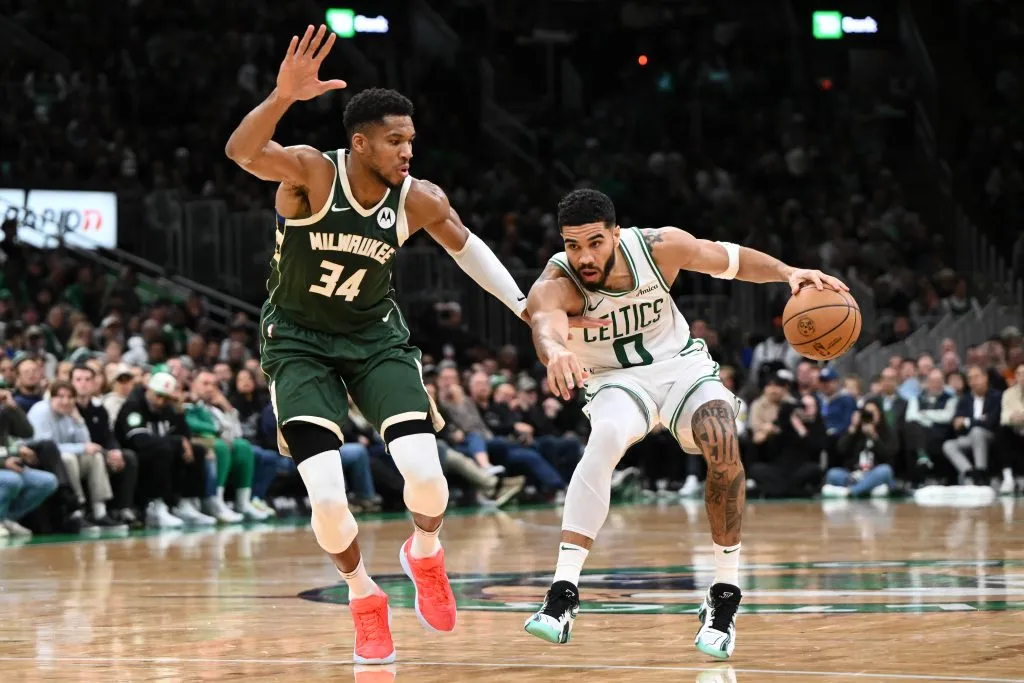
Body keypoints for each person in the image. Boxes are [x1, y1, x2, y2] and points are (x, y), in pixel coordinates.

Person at [223, 24, 596, 664]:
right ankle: (363, 595)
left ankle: (423, 552)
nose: (407, 151)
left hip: (374, 336)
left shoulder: (418, 199)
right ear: (360, 142)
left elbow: (470, 250)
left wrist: (530, 315)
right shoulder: (312, 172)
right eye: (395, 141)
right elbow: (241, 151)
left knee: (428, 480)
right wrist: (283, 96)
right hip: (300, 342)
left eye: (412, 140)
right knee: (330, 500)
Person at [522, 188, 846, 659]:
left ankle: (724, 595)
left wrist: (788, 272)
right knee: (607, 436)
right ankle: (563, 591)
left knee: (721, 435)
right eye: (573, 245)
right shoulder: (559, 281)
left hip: (681, 368)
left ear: (616, 233)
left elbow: (728, 259)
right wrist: (555, 352)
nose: (584, 256)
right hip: (616, 380)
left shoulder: (659, 247)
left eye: (594, 242)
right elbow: (544, 323)